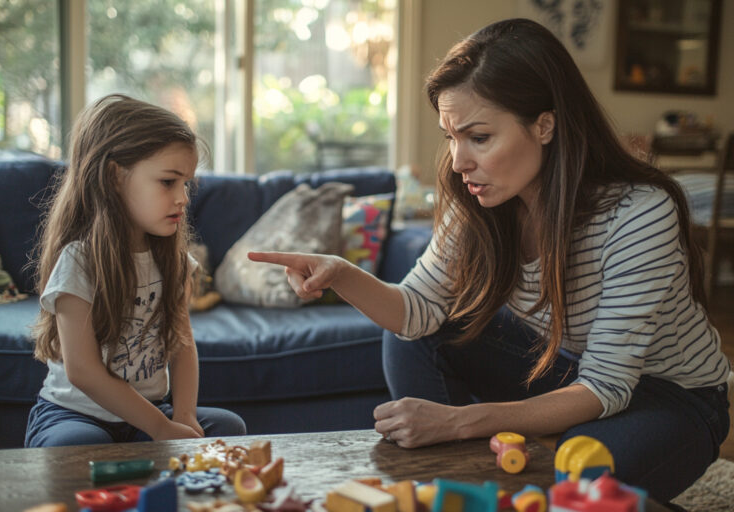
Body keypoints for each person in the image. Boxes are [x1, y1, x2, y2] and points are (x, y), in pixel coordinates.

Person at [249, 18, 731, 503]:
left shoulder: (638, 212)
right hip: (565, 367)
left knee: (572, 481)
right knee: (417, 339)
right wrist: (343, 274)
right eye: (450, 137)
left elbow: (606, 388)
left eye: (479, 137)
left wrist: (459, 422)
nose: (459, 161)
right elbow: (416, 312)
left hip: (668, 397)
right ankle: (469, 481)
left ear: (545, 125)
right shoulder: (479, 200)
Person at [25, 94, 246, 447]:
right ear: (115, 176)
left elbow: (182, 342)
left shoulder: (173, 260)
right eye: (167, 182)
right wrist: (160, 429)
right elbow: (82, 371)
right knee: (77, 445)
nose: (183, 198)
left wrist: (184, 414)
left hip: (151, 410)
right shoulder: (79, 262)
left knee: (228, 428)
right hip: (75, 413)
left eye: (186, 184)